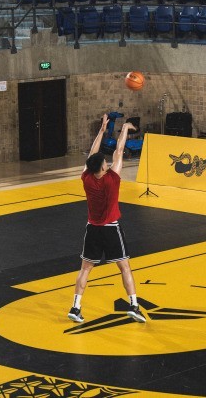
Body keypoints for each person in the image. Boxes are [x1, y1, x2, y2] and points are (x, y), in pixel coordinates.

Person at [68, 113, 146, 324]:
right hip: (111, 228)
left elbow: (91, 155)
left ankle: (75, 307)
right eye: (105, 161)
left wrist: (102, 131)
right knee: (125, 267)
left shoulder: (86, 178)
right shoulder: (112, 179)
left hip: (93, 228)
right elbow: (119, 151)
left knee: (85, 269)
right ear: (103, 167)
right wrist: (125, 129)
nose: (106, 161)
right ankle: (134, 305)